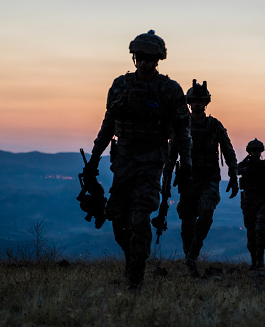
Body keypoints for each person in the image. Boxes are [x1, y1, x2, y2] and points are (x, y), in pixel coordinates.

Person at [87, 30, 192, 289]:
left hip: (153, 159)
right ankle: (131, 258)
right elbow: (109, 123)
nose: (144, 62)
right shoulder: (120, 85)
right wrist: (94, 158)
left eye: (150, 58)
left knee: (139, 216)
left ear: (158, 60)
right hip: (123, 159)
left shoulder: (169, 90)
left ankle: (137, 273)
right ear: (135, 58)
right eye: (140, 57)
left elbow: (183, 130)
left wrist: (186, 164)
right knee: (118, 218)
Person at [165, 79, 238, 276]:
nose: (197, 104)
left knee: (206, 210)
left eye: (201, 101)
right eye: (194, 101)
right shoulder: (182, 126)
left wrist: (233, 175)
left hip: (210, 178)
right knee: (187, 221)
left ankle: (193, 253)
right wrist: (165, 180)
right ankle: (190, 258)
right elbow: (171, 155)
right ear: (189, 103)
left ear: (206, 103)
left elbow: (229, 151)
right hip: (188, 179)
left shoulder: (214, 125)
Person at [238, 138, 265, 270]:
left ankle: (260, 258)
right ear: (249, 152)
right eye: (253, 151)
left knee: (260, 229)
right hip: (248, 201)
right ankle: (254, 261)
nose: (256, 153)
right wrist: (247, 164)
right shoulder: (243, 166)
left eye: (258, 150)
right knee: (250, 232)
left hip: (262, 200)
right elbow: (235, 171)